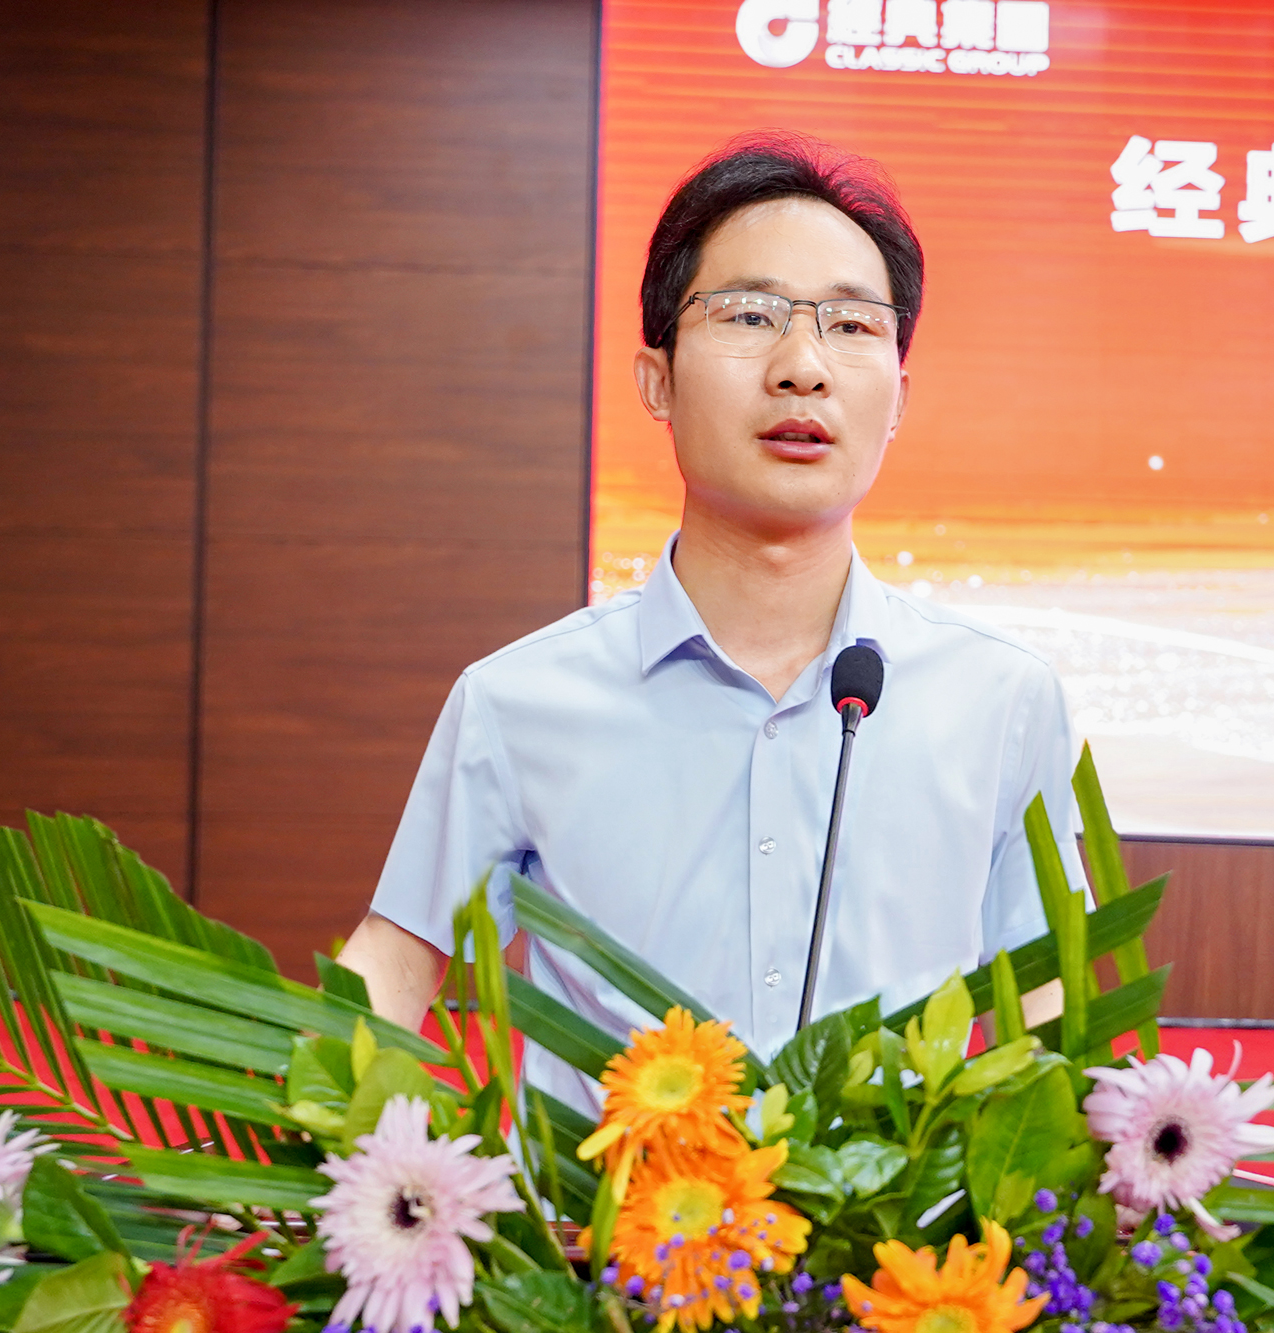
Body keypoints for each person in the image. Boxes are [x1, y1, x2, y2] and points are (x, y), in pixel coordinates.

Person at [336, 132, 1084, 1115]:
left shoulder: (1002, 700)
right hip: (603, 1215)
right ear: (657, 377)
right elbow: (396, 963)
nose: (802, 367)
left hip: (893, 1219)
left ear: (898, 397)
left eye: (851, 325)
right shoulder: (517, 702)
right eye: (749, 315)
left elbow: (1048, 1010)